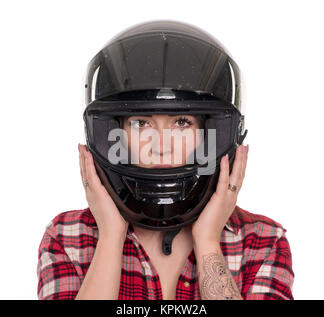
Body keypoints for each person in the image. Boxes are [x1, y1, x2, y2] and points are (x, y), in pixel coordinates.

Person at [37, 20, 294, 300]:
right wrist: (110, 236)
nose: (161, 146)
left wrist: (208, 241)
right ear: (116, 134)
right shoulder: (67, 237)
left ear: (208, 135)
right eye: (141, 123)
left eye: (182, 122)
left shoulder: (263, 240)